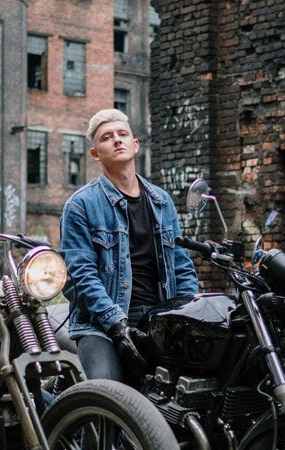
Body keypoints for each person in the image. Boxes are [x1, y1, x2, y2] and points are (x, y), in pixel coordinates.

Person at [59, 109, 198, 382]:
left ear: (135, 145)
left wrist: (188, 312)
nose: (117, 140)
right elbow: (79, 276)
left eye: (123, 134)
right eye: (107, 137)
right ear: (95, 153)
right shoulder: (81, 204)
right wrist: (115, 322)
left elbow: (181, 265)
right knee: (108, 394)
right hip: (100, 324)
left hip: (161, 317)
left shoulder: (161, 201)